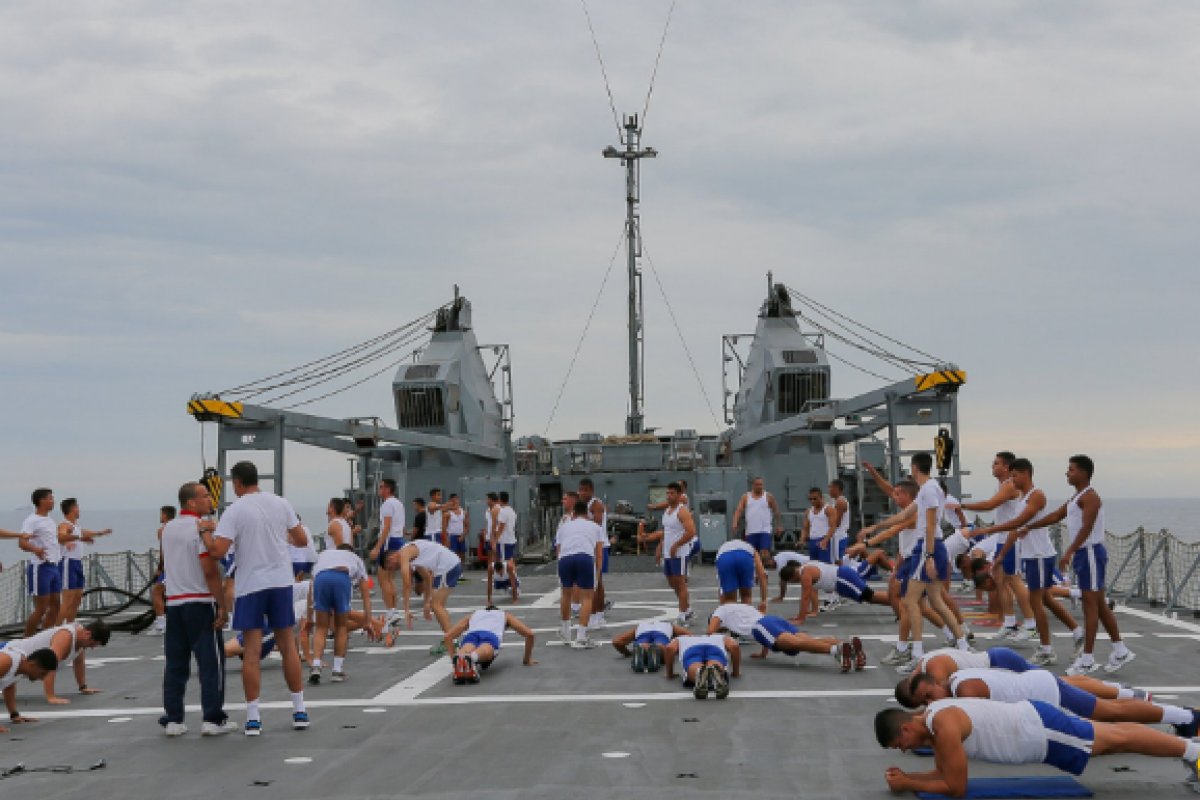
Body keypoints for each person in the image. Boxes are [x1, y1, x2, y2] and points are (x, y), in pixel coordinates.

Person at [874, 698, 1200, 797]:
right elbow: (943, 773)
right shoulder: (934, 716)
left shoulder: (943, 727)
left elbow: (956, 787)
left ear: (906, 728)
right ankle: (1189, 748)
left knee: (1119, 739)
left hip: (1040, 732)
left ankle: (1193, 752)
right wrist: (909, 779)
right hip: (1035, 723)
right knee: (1115, 738)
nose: (903, 750)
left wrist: (909, 783)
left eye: (900, 744)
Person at [203, 461, 310, 736]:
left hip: (251, 585)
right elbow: (301, 540)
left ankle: (253, 718)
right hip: (281, 582)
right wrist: (279, 538)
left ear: (237, 482)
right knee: (288, 646)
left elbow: (217, 551)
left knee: (251, 652)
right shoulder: (281, 503)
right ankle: (299, 710)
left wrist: (205, 531)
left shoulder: (234, 510)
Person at [1020, 455, 1134, 676]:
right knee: (1099, 605)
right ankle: (1120, 650)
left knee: (1090, 607)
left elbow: (1087, 527)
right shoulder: (1076, 497)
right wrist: (1030, 526)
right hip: (1085, 554)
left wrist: (1069, 551)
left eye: (1071, 469)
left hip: (1090, 553)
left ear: (1083, 472)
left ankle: (1087, 658)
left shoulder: (1091, 497)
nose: (1067, 473)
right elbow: (1056, 515)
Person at [963, 458, 1083, 666]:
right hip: (1032, 556)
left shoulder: (1036, 496)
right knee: (1046, 599)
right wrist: (1001, 556)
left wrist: (988, 529)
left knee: (1036, 603)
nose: (1011, 480)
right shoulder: (1021, 499)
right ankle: (1077, 632)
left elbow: (1018, 522)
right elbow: (1015, 530)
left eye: (1014, 476)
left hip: (1040, 555)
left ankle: (1046, 649)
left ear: (1026, 474)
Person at [897, 667, 1200, 734]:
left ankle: (1187, 717)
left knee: (1112, 712)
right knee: (1110, 712)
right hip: (1039, 686)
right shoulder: (955, 681)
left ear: (934, 682)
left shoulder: (964, 691)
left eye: (929, 696)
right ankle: (1183, 717)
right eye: (924, 703)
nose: (931, 703)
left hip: (1045, 693)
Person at [158, 481, 235, 736]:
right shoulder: (200, 529)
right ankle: (213, 718)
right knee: (211, 663)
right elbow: (210, 570)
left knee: (175, 664)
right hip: (200, 602)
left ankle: (173, 719)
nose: (210, 499)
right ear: (191, 502)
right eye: (205, 496)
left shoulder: (167, 529)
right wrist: (222, 605)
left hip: (174, 602)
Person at [960, 452, 1037, 642]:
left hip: (1012, 538)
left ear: (1006, 467)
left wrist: (962, 506)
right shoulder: (1003, 485)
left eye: (996, 463)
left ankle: (1031, 624)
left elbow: (989, 505)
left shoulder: (1010, 485)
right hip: (1002, 538)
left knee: (1014, 580)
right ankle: (1009, 622)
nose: (992, 466)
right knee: (1000, 580)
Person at [902, 454, 967, 662]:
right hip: (933, 545)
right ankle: (963, 644)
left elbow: (930, 525)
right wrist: (875, 528)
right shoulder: (929, 489)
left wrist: (928, 556)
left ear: (915, 468)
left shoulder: (929, 489)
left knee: (910, 600)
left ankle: (917, 652)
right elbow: (904, 515)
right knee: (936, 601)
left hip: (927, 546)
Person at [707, 602, 864, 671]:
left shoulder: (719, 612)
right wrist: (763, 653)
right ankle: (847, 645)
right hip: (772, 620)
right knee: (806, 640)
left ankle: (836, 650)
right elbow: (762, 626)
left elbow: (710, 632)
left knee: (796, 644)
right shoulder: (738, 607)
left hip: (760, 626)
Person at [5, 619, 109, 706]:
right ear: (87, 634)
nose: (92, 648)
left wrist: (83, 687)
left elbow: (79, 662)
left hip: (16, 666)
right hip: (8, 654)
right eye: (92, 644)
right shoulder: (66, 636)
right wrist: (51, 696)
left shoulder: (80, 640)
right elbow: (51, 664)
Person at [308, 544, 371, 685]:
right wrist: (367, 622)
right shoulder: (356, 558)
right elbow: (365, 595)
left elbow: (311, 587)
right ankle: (337, 670)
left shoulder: (324, 554)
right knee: (341, 626)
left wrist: (309, 615)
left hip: (321, 578)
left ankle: (316, 665)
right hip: (341, 578)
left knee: (321, 627)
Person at [386, 538, 462, 652]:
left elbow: (407, 582)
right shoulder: (411, 556)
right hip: (450, 564)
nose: (394, 569)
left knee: (437, 606)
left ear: (391, 558)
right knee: (438, 606)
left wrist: (406, 610)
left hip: (447, 566)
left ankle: (452, 641)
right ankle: (450, 638)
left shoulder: (404, 553)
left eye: (391, 567)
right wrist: (426, 603)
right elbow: (427, 578)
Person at [553, 498, 604, 648]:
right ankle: (581, 636)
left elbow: (558, 550)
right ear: (587, 513)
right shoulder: (595, 527)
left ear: (573, 513)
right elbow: (599, 554)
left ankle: (565, 631)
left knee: (565, 594)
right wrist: (597, 573)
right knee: (587, 597)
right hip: (584, 557)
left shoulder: (564, 527)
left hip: (565, 558)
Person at [444, 606, 537, 684]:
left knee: (467, 646)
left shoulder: (474, 614)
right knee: (487, 647)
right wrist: (527, 660)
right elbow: (529, 634)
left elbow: (448, 636)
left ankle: (460, 660)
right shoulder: (504, 614)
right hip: (490, 635)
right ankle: (472, 657)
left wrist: (453, 659)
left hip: (472, 634)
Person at [779, 559, 892, 622]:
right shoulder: (805, 567)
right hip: (841, 579)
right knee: (869, 597)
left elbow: (805, 596)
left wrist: (801, 617)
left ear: (792, 578)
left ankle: (898, 602)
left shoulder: (805, 575)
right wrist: (811, 611)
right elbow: (812, 592)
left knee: (869, 596)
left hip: (842, 578)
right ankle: (897, 602)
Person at [56, 498, 110, 624]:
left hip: (77, 563)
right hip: (68, 563)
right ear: (72, 509)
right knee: (68, 600)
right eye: (77, 507)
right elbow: (61, 536)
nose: (79, 510)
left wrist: (99, 533)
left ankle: (70, 626)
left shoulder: (75, 526)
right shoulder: (65, 525)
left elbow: (84, 533)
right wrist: (70, 540)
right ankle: (55, 630)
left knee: (77, 598)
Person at [21, 488, 62, 636]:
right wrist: (36, 550)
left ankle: (45, 637)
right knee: (41, 609)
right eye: (50, 498)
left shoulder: (50, 521)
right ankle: (26, 642)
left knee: (56, 605)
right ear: (41, 501)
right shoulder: (32, 520)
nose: (53, 501)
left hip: (54, 566)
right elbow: (22, 542)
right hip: (41, 568)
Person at [368, 479, 406, 626]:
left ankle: (391, 611)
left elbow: (386, 527)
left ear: (388, 489)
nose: (379, 489)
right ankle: (393, 610)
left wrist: (377, 547)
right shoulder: (399, 503)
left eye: (382, 487)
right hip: (398, 540)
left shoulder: (387, 504)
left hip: (388, 542)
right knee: (390, 578)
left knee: (383, 578)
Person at [659, 482, 696, 625]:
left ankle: (682, 614)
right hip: (668, 553)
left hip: (679, 553)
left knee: (680, 583)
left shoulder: (682, 512)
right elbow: (666, 532)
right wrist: (660, 548)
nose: (669, 496)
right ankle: (687, 609)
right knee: (671, 582)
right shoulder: (667, 511)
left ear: (680, 495)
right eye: (667, 493)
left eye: (672, 493)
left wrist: (677, 545)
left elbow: (691, 532)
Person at [663, 634, 741, 700]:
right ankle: (715, 671)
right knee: (715, 660)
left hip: (691, 649)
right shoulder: (719, 636)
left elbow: (670, 648)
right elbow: (734, 646)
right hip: (714, 648)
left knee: (693, 663)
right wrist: (735, 673)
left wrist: (670, 674)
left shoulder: (681, 638)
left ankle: (699, 672)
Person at [0, 649, 58, 733]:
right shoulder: (7, 661)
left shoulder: (19, 665)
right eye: (42, 673)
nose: (42, 679)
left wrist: (14, 715)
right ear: (32, 665)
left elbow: (9, 687)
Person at [731, 477, 781, 569]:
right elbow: (739, 510)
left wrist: (779, 525)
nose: (759, 486)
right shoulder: (746, 497)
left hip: (765, 530)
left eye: (761, 484)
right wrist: (735, 523)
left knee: (764, 553)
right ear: (753, 485)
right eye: (757, 484)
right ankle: (755, 571)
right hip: (751, 531)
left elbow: (776, 511)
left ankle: (763, 570)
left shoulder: (768, 496)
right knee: (752, 553)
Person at [577, 480, 608, 625]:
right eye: (580, 490)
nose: (582, 493)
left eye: (585, 490)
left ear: (591, 491)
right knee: (597, 583)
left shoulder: (596, 505)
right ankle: (598, 615)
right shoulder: (587, 505)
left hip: (598, 547)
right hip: (594, 546)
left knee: (594, 584)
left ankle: (596, 615)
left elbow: (597, 523)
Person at [611, 621, 692, 672]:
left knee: (642, 643)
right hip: (662, 632)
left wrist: (628, 653)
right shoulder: (669, 625)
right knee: (663, 647)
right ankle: (657, 648)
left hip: (643, 632)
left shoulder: (640, 626)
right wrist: (676, 645)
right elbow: (688, 635)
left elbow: (617, 642)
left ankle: (642, 647)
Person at [714, 539, 769, 608]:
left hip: (725, 557)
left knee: (729, 599)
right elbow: (763, 575)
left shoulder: (722, 548)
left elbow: (721, 589)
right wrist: (764, 601)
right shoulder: (751, 549)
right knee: (746, 596)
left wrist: (722, 608)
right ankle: (746, 613)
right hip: (745, 556)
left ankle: (729, 612)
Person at [149, 505, 176, 636]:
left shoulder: (163, 530)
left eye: (161, 514)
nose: (160, 516)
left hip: (169, 567)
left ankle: (161, 624)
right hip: (177, 566)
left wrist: (160, 568)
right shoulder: (178, 528)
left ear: (164, 515)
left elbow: (163, 551)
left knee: (156, 592)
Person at [494, 490, 521, 605]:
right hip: (510, 539)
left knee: (506, 565)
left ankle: (514, 587)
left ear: (500, 500)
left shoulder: (503, 511)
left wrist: (495, 540)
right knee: (510, 563)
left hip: (504, 541)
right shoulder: (511, 511)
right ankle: (513, 586)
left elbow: (501, 527)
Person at [801, 486, 836, 566]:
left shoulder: (828, 509)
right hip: (812, 540)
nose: (812, 501)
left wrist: (825, 540)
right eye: (810, 499)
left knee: (825, 565)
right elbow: (805, 528)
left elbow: (833, 527)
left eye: (815, 499)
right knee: (813, 565)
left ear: (821, 497)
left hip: (824, 540)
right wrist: (802, 539)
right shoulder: (808, 511)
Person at [827, 479, 852, 565]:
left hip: (838, 536)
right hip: (838, 535)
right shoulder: (837, 501)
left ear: (836, 488)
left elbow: (836, 522)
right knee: (837, 561)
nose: (829, 490)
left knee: (838, 561)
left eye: (830, 487)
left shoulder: (840, 502)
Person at [443, 494, 468, 558]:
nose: (455, 502)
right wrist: (446, 540)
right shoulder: (447, 513)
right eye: (453, 501)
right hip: (452, 536)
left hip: (461, 535)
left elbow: (467, 526)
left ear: (458, 500)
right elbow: (444, 528)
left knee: (462, 555)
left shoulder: (464, 512)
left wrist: (463, 536)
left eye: (456, 500)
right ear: (450, 502)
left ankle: (461, 565)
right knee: (453, 555)